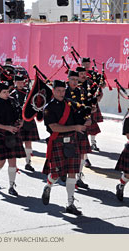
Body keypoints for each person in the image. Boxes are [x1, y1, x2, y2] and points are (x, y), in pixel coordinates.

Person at [41, 80, 87, 216]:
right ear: (53, 91)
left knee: (72, 172)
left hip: (72, 141)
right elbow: (54, 127)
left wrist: (86, 117)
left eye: (63, 91)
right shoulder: (48, 108)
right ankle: (48, 186)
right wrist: (75, 127)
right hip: (58, 141)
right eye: (58, 91)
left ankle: (70, 203)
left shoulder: (70, 103)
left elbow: (80, 115)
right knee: (56, 173)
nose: (61, 93)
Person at [0, 81, 26, 196]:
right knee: (1, 161)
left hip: (12, 134)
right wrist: (7, 127)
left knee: (13, 160)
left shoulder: (13, 101)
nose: (7, 94)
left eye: (8, 91)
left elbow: (19, 115)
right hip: (0, 134)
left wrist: (21, 122)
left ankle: (11, 186)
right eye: (4, 92)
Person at [65, 70, 92, 189]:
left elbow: (86, 106)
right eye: (73, 79)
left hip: (81, 126)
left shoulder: (81, 91)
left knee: (82, 153)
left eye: (76, 80)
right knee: (69, 154)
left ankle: (78, 178)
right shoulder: (63, 92)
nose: (75, 82)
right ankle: (66, 175)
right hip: (68, 126)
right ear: (68, 79)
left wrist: (88, 118)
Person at [10, 74, 40, 172]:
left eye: (21, 82)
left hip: (28, 120)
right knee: (17, 143)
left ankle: (28, 163)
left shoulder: (29, 92)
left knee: (28, 142)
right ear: (15, 83)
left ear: (24, 82)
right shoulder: (13, 94)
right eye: (18, 82)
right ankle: (14, 164)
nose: (20, 84)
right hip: (18, 121)